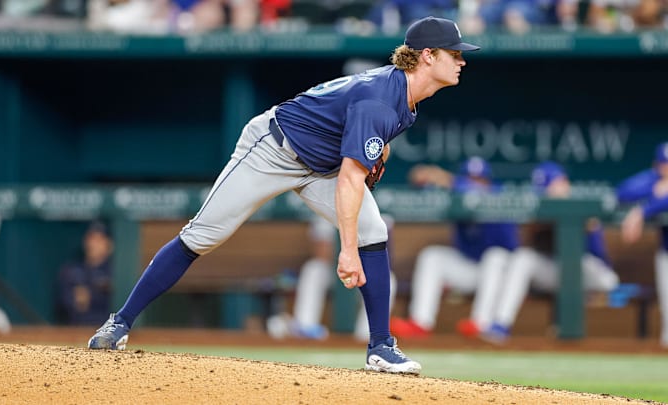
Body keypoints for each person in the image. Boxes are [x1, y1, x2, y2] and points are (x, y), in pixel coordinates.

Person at [87, 16, 480, 375]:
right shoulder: (381, 98)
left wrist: (379, 151)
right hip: (273, 149)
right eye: (455, 53)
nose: (462, 61)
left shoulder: (404, 98)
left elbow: (356, 141)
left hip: (319, 165)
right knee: (203, 235)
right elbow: (349, 180)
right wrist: (346, 251)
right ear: (427, 56)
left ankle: (381, 346)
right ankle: (119, 322)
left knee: (373, 231)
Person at [481, 161, 619, 344]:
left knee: (594, 273)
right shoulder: (539, 210)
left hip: (595, 273)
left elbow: (593, 245)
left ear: (562, 182)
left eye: (551, 186)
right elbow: (528, 243)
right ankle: (500, 325)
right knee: (524, 258)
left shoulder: (581, 204)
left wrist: (577, 218)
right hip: (557, 271)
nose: (547, 193)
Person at [390, 157, 519, 339]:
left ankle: (481, 323)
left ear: (488, 181)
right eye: (470, 178)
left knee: (495, 257)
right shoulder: (456, 193)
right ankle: (420, 323)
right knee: (432, 256)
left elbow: (478, 194)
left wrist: (449, 180)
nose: (474, 184)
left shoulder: (499, 195)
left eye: (480, 179)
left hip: (503, 275)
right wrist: (425, 179)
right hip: (472, 269)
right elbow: (426, 187)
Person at [266, 214, 397, 342]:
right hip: (334, 270)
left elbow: (382, 256)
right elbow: (321, 252)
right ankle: (305, 327)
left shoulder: (376, 212)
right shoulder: (326, 209)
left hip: (363, 272)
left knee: (388, 278)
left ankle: (367, 335)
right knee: (314, 268)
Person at [616, 142, 668, 348]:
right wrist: (655, 188)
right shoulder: (655, 181)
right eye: (665, 165)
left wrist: (642, 212)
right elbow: (623, 192)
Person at [57, 221, 114, 325]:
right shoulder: (72, 269)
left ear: (109, 245)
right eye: (91, 238)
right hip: (74, 330)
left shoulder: (117, 271)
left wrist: (91, 296)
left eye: (99, 239)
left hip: (105, 330)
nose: (93, 244)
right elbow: (63, 301)